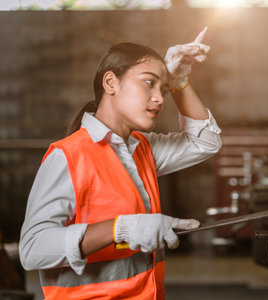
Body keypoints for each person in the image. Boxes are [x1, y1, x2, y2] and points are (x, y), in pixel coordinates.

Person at [19, 27, 222, 299]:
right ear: (110, 83)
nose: (160, 98)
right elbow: (32, 250)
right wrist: (120, 229)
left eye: (164, 89)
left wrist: (179, 80)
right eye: (149, 83)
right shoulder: (67, 156)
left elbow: (206, 141)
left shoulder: (141, 148)